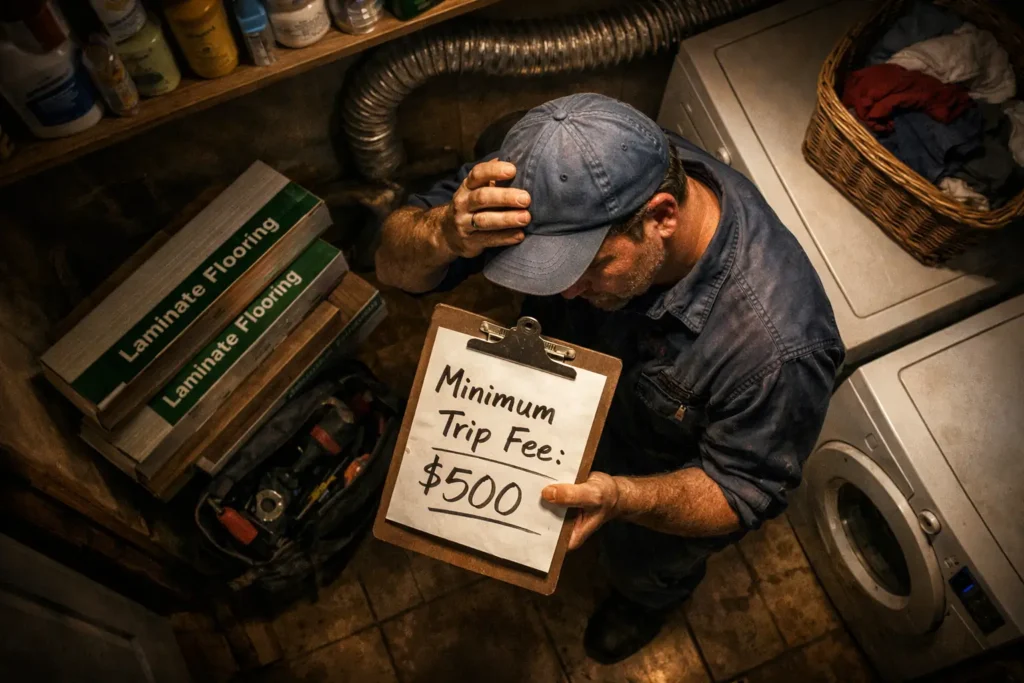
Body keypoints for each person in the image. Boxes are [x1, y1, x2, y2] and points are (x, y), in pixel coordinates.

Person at [375, 93, 844, 663]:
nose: (564, 291)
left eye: (588, 269)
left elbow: (741, 488)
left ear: (662, 217)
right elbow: (391, 267)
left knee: (646, 564)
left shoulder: (778, 346)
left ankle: (644, 603)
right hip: (554, 408)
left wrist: (622, 497)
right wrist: (441, 234)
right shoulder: (560, 172)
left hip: (652, 476)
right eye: (545, 271)